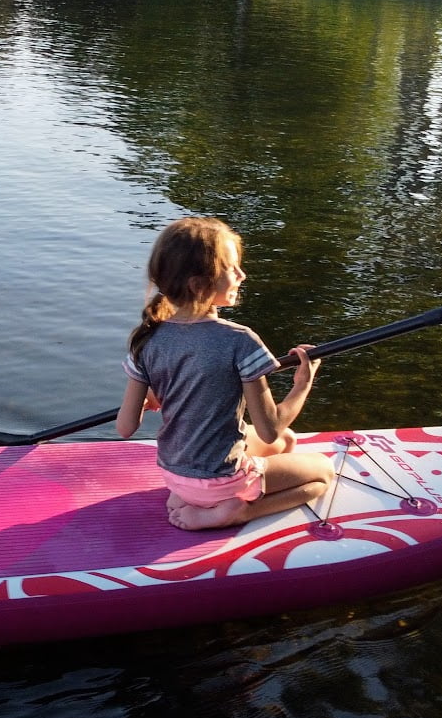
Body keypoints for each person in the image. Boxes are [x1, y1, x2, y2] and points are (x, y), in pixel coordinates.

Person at [117, 217, 336, 530]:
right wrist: (302, 384)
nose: (242, 275)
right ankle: (238, 511)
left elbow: (126, 427)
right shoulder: (240, 340)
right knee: (324, 472)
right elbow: (270, 430)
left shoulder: (148, 339)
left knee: (287, 441)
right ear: (198, 285)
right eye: (232, 268)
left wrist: (153, 395)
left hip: (172, 475)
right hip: (222, 480)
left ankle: (197, 497)